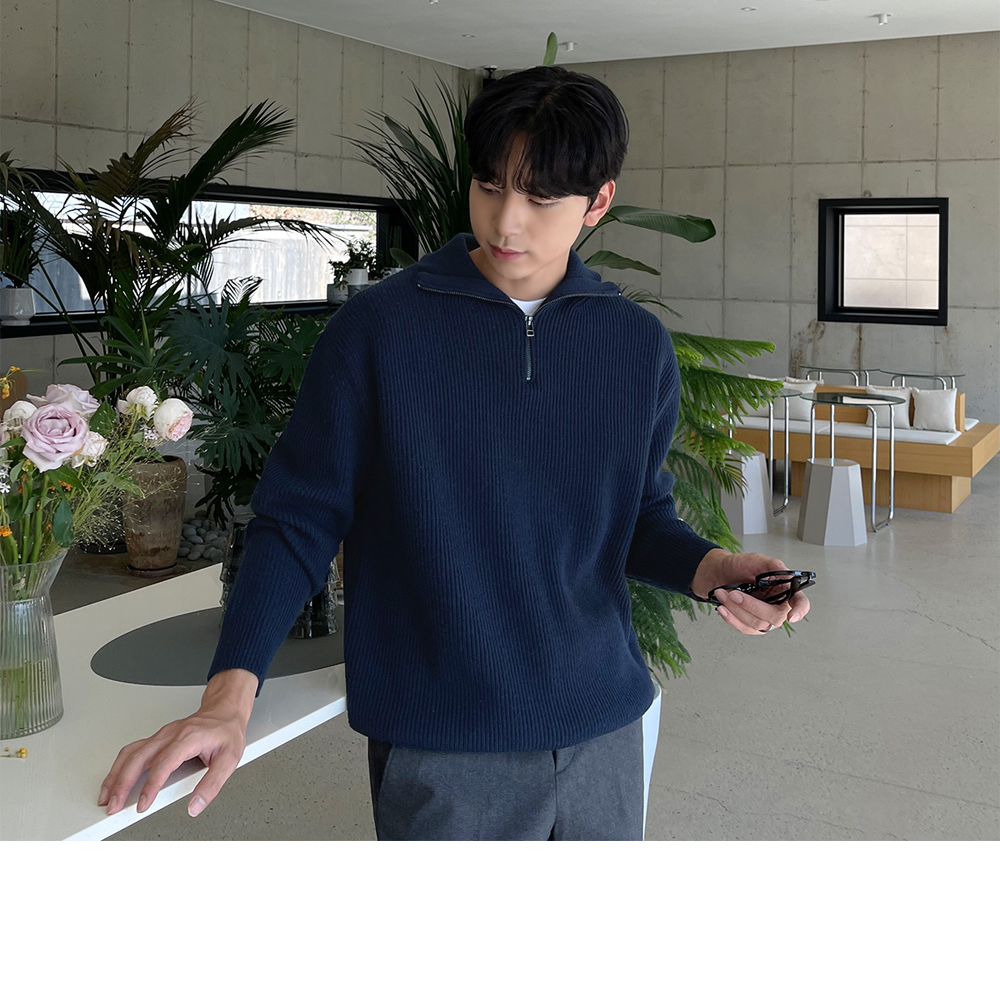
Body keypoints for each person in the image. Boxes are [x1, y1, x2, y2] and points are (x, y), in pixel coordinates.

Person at [98, 65, 810, 840]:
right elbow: (297, 519)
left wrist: (713, 569)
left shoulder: (636, 347)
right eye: (489, 185)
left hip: (603, 730)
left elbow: (635, 516)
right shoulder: (376, 332)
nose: (507, 221)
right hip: (442, 748)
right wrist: (226, 701)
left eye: (542, 198)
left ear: (598, 202)